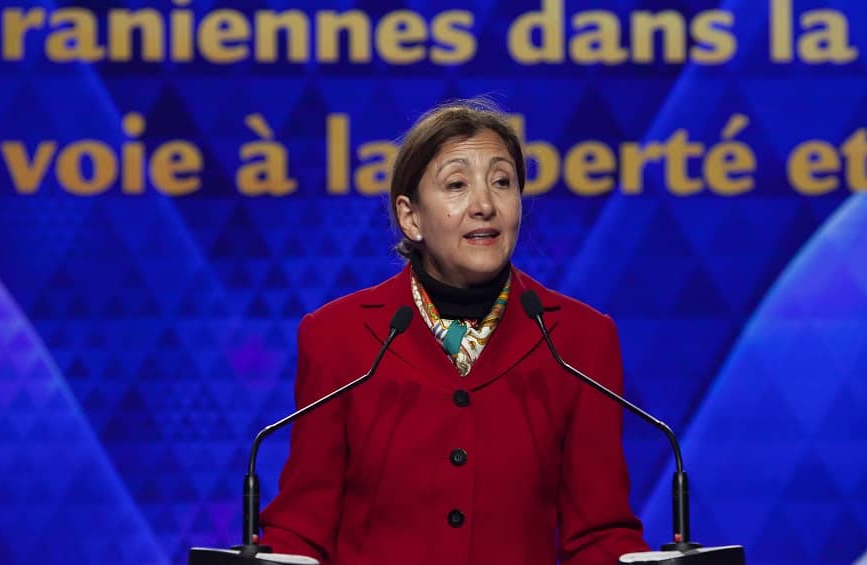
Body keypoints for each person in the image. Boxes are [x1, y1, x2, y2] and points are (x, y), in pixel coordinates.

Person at [260, 99, 649, 564]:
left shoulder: (580, 340)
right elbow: (304, 525)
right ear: (411, 217)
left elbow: (599, 533)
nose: (485, 205)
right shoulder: (336, 337)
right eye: (457, 185)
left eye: (502, 182)